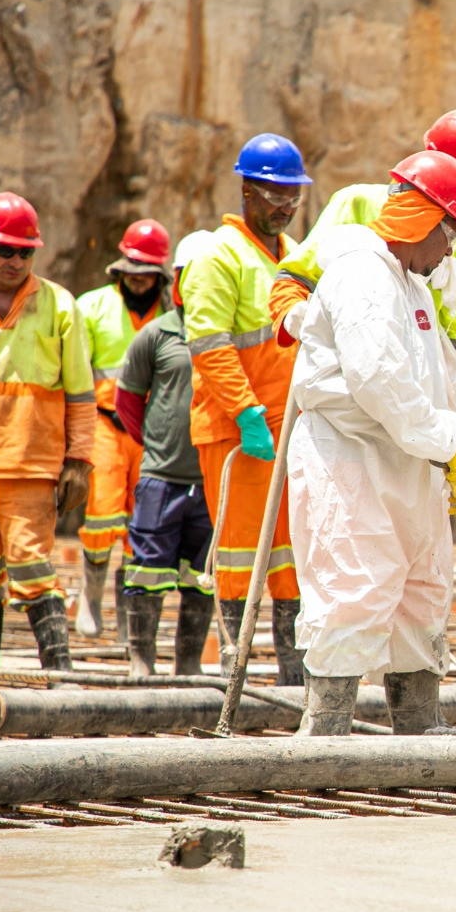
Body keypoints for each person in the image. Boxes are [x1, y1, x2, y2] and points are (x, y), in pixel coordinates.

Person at [287, 151, 456, 735]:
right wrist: (448, 444)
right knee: (354, 584)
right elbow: (379, 381)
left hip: (406, 463)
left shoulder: (412, 284)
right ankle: (325, 735)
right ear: (423, 219)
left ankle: (418, 729)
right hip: (352, 459)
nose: (450, 250)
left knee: (419, 590)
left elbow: (435, 375)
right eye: (450, 233)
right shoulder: (362, 273)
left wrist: (450, 448)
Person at [178, 132, 310, 684]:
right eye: (271, 193)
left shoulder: (296, 258)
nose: (283, 205)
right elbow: (208, 342)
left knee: (293, 560)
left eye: (291, 196)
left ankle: (292, 679)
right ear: (246, 190)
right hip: (242, 429)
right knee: (238, 557)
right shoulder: (217, 254)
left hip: (292, 429)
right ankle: (234, 675)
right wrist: (246, 412)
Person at [0, 192, 94, 669]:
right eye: (4, 249)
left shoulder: (59, 306)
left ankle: (60, 676)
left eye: (25, 251)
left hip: (30, 464)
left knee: (32, 567)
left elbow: (80, 394)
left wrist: (79, 461)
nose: (15, 260)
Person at [270, 109, 456, 346]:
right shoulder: (356, 203)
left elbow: (446, 335)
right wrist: (297, 316)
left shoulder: (453, 243)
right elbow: (294, 278)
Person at [113, 230, 219, 675]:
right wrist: (155, 446)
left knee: (202, 577)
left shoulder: (226, 334)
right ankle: (142, 663)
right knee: (146, 571)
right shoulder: (158, 335)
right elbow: (127, 401)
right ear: (177, 280)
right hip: (162, 478)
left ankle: (189, 667)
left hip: (210, 479)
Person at [72, 220, 174, 639]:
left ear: (160, 274)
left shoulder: (171, 312)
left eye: (146, 271)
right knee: (101, 516)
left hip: (151, 432)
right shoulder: (91, 306)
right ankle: (91, 601)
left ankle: (129, 619)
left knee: (144, 522)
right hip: (105, 424)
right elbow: (76, 375)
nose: (137, 278)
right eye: (131, 269)